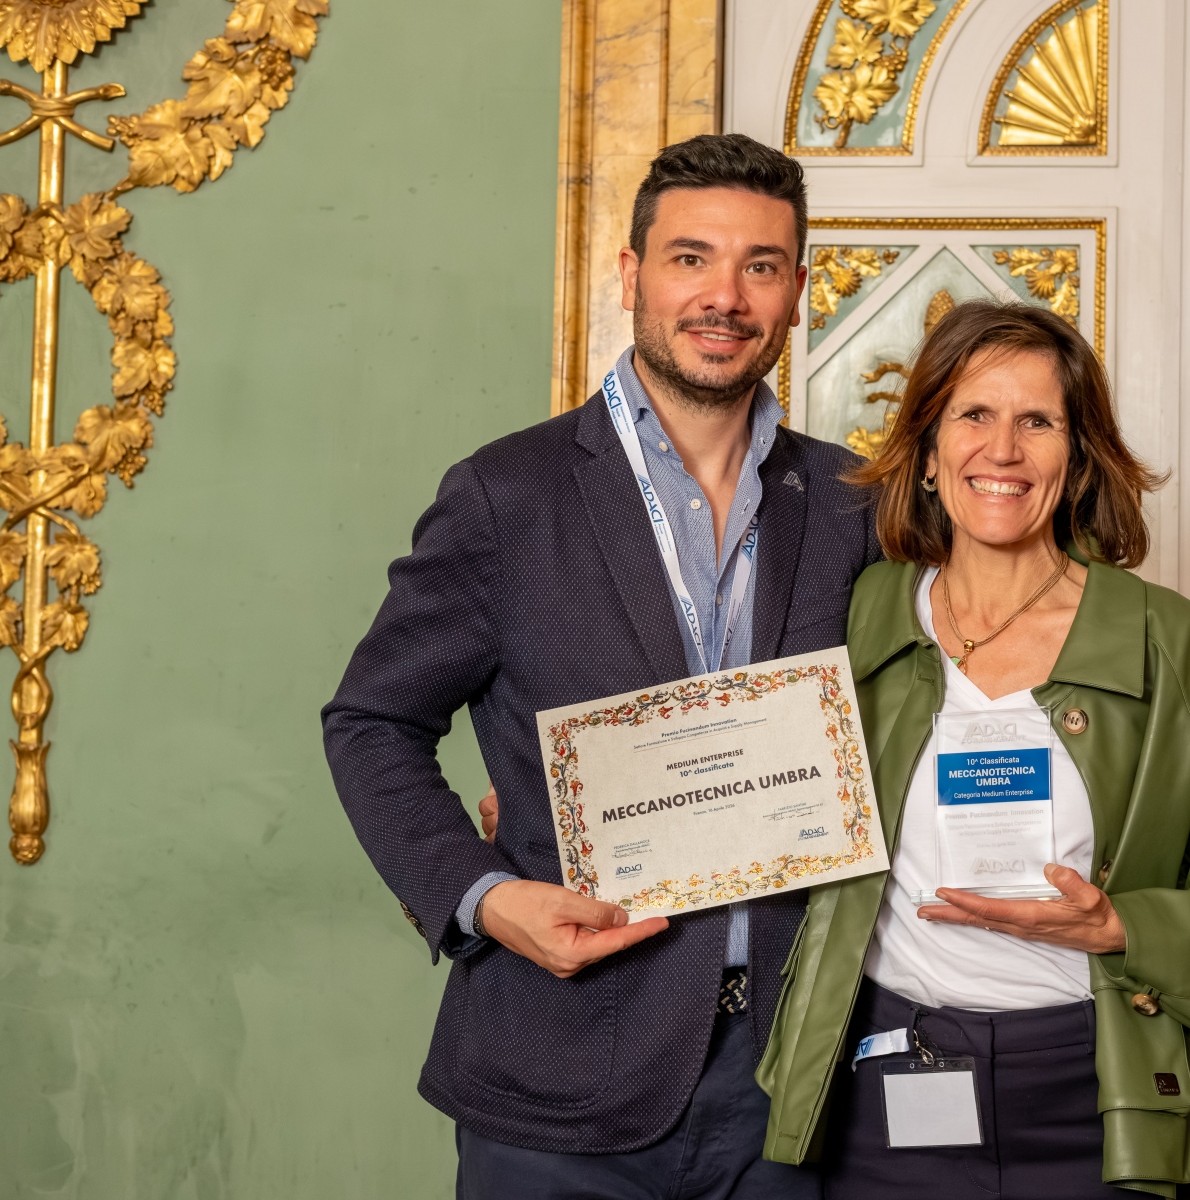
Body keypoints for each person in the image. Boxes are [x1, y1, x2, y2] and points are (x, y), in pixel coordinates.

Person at [322, 133, 874, 1200]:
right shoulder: (506, 495)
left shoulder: (856, 502)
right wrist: (485, 898)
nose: (725, 296)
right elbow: (372, 723)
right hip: (557, 1075)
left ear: (799, 290)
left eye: (760, 266)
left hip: (791, 1085)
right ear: (629, 275)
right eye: (690, 258)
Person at [755, 300, 1190, 1198]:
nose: (1003, 450)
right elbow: (748, 765)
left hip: (1099, 1091)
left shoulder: (1166, 642)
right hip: (889, 1081)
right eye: (974, 415)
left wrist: (1125, 927)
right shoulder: (860, 615)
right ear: (927, 450)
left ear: (1078, 458)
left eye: (1038, 421)